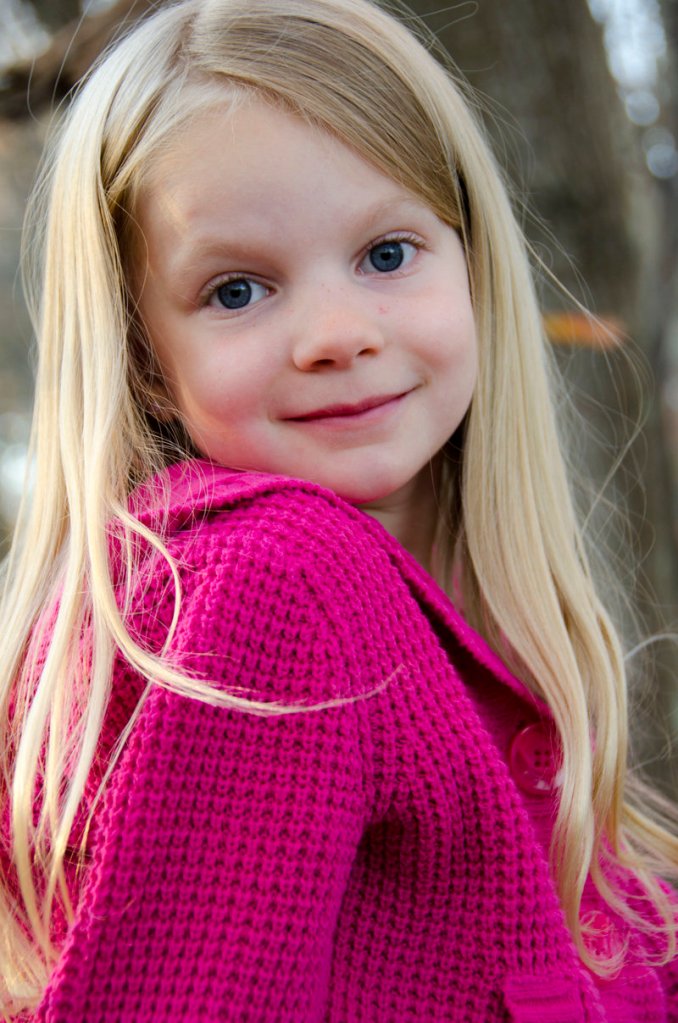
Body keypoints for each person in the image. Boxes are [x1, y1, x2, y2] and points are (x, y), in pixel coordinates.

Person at [1, 0, 677, 1018]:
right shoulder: (279, 583)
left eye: (388, 253)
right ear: (144, 362)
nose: (336, 333)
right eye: (237, 290)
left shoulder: (439, 633)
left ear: (472, 263)